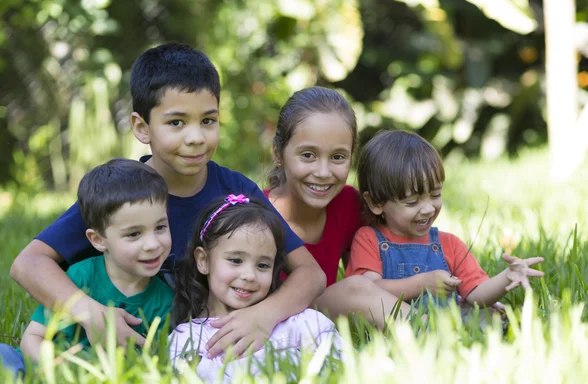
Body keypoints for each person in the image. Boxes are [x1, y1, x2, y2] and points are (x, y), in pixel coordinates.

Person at [10, 43, 325, 359]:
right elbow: (29, 263)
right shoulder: (122, 193)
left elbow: (310, 274)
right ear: (142, 127)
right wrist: (90, 313)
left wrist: (265, 315)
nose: (196, 137)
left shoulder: (235, 191)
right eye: (177, 122)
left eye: (208, 120)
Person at [0, 159, 173, 376]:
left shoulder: (165, 302)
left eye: (160, 227)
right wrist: (58, 373)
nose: (153, 244)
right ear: (98, 240)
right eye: (134, 234)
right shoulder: (79, 277)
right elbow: (32, 339)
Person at [265, 87, 414, 328]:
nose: (323, 173)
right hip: (269, 321)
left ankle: (447, 320)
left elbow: (382, 277)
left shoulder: (348, 204)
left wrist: (469, 292)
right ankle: (438, 331)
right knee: (354, 290)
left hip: (323, 317)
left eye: (337, 157)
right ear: (278, 153)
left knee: (360, 287)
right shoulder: (255, 214)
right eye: (308, 155)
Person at [346, 130, 545, 309]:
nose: (428, 208)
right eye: (412, 201)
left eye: (435, 195)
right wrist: (424, 283)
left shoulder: (449, 244)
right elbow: (367, 291)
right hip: (394, 329)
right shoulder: (369, 239)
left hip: (445, 327)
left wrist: (506, 277)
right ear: (376, 203)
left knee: (488, 313)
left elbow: (477, 293)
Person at [169, 194, 340, 383]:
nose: (250, 275)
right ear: (203, 261)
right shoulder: (190, 340)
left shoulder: (301, 322)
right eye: (236, 260)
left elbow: (343, 365)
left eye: (263, 265)